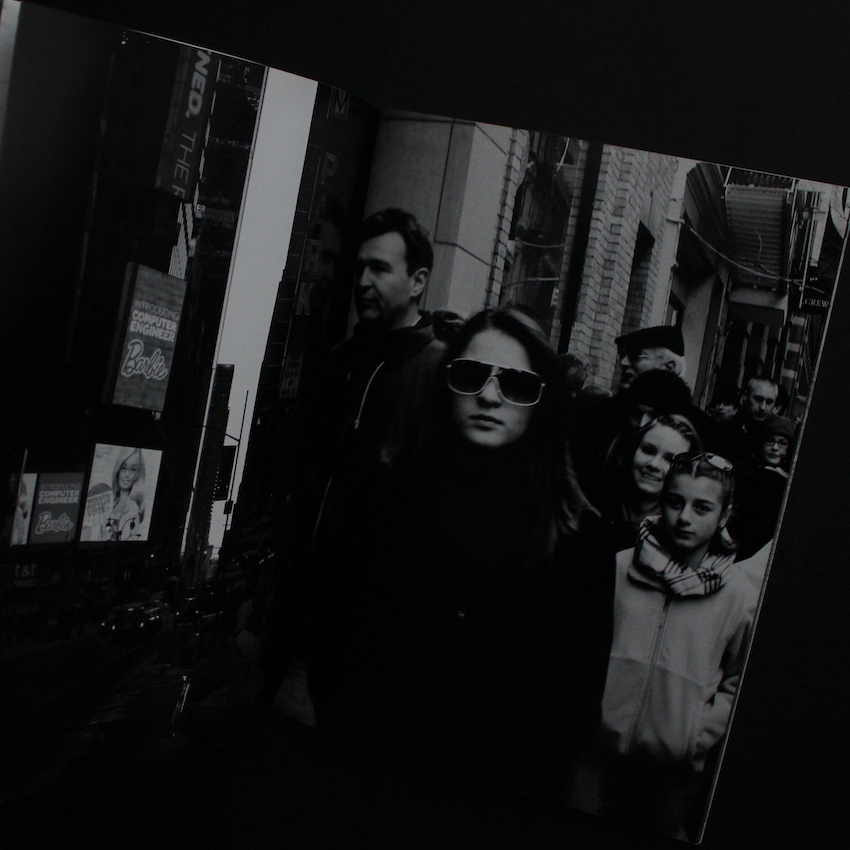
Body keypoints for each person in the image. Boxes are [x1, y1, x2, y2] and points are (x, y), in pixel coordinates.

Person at [308, 307, 615, 801]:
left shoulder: (578, 541)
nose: (490, 396)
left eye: (516, 384)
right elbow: (335, 646)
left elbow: (571, 709)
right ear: (447, 383)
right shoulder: (386, 500)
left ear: (543, 400)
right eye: (472, 375)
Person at [261, 208, 446, 703]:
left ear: (418, 281)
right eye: (360, 267)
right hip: (299, 626)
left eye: (380, 269)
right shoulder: (340, 362)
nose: (363, 282)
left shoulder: (438, 376)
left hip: (371, 649)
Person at [567, 453, 764, 839]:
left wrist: (696, 737)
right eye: (675, 502)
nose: (684, 517)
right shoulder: (620, 567)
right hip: (596, 751)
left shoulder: (739, 596)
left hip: (673, 772)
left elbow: (739, 677)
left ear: (724, 514)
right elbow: (581, 648)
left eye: (701, 507)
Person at [595, 414, 702, 553]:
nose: (654, 464)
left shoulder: (683, 531)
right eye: (648, 450)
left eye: (670, 460)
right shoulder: (597, 505)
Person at [728, 414, 795, 563]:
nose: (775, 448)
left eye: (782, 443)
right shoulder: (742, 473)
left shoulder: (790, 480)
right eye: (770, 441)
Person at [716, 375, 779, 466]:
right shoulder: (723, 427)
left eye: (769, 402)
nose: (763, 407)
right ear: (745, 397)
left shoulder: (776, 434)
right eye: (758, 399)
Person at [101, 448, 145, 541]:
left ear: (137, 475)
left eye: (133, 470)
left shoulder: (134, 510)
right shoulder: (110, 504)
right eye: (123, 468)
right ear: (117, 470)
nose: (127, 475)